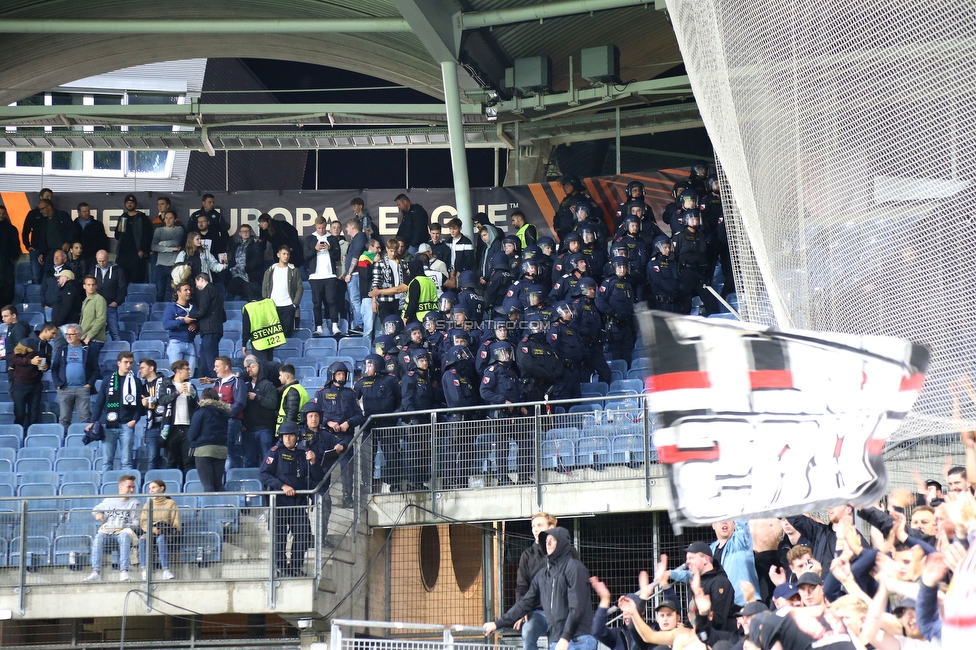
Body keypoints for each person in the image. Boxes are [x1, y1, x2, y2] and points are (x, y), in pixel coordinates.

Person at [483, 527, 595, 650]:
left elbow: (576, 608)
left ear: (562, 543)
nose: (548, 543)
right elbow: (525, 603)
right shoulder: (543, 575)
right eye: (546, 540)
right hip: (558, 640)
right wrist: (497, 624)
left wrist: (565, 637)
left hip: (579, 639)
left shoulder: (574, 569)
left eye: (553, 539)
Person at [261, 422, 323, 577]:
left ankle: (295, 567)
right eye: (285, 436)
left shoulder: (304, 454)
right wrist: (282, 486)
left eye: (290, 436)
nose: (287, 439)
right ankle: (281, 568)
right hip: (279, 503)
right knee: (279, 538)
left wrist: (313, 462)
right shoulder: (274, 452)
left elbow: (317, 477)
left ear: (297, 437)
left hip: (298, 502)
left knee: (303, 535)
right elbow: (263, 474)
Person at [512, 512, 577, 650]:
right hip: (538, 612)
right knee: (528, 631)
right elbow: (521, 586)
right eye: (533, 526)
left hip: (563, 612)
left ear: (551, 527)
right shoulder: (527, 555)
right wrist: (521, 610)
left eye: (540, 525)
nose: (535, 529)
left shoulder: (569, 551)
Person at [313, 361, 364, 508]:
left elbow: (359, 415)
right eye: (339, 374)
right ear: (332, 375)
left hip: (346, 436)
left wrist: (348, 422)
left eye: (344, 374)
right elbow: (315, 414)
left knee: (348, 468)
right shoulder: (321, 393)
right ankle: (323, 497)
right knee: (323, 469)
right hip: (326, 437)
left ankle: (348, 497)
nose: (342, 377)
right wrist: (328, 423)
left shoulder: (350, 393)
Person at [89, 351, 143, 472]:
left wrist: (135, 419)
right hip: (108, 424)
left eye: (130, 363)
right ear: (119, 363)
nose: (128, 365)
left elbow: (140, 405)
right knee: (107, 461)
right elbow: (100, 402)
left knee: (127, 462)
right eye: (126, 362)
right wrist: (93, 421)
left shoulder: (136, 382)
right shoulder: (108, 380)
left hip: (127, 424)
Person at [353, 353, 400, 489]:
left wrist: (396, 414)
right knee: (367, 455)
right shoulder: (361, 382)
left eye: (370, 365)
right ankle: (367, 483)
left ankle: (394, 483)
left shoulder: (390, 380)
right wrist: (360, 415)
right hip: (369, 425)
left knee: (392, 454)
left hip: (387, 424)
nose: (366, 368)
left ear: (377, 365)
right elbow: (352, 400)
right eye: (366, 365)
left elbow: (400, 399)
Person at [84, 474, 141, 582]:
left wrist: (122, 526)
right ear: (120, 487)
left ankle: (124, 571)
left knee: (124, 536)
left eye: (133, 487)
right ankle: (96, 572)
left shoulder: (135, 503)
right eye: (129, 487)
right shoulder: (109, 500)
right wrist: (98, 514)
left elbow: (136, 523)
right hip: (108, 531)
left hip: (123, 531)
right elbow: (95, 509)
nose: (132, 490)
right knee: (99, 536)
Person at [202, 356, 248, 471]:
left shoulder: (237, 382)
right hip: (217, 422)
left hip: (230, 421)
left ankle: (228, 480)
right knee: (220, 452)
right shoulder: (217, 383)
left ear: (226, 367)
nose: (214, 369)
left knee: (227, 451)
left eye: (217, 366)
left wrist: (225, 414)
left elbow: (240, 403)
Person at [51, 323, 98, 434]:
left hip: (83, 389)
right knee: (64, 418)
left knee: (84, 418)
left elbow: (96, 370)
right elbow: (54, 368)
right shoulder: (62, 350)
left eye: (72, 334)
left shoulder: (88, 350)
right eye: (67, 334)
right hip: (64, 389)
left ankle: (83, 440)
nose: (69, 337)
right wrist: (58, 383)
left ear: (79, 335)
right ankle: (65, 441)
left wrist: (89, 384)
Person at [10, 321, 57, 430]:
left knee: (34, 416)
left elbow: (48, 364)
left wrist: (46, 366)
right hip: (21, 384)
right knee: (20, 415)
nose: (54, 337)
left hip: (36, 384)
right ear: (45, 330)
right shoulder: (25, 342)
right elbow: (13, 359)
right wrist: (30, 361)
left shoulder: (48, 347)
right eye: (53, 333)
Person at [304, 216, 344, 336]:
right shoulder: (310, 239)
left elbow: (337, 257)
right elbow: (306, 257)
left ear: (326, 226)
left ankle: (335, 326)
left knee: (332, 300)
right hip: (315, 276)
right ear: (315, 226)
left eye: (323, 228)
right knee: (317, 302)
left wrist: (330, 249)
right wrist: (315, 249)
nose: (321, 230)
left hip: (330, 275)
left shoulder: (331, 239)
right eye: (319, 228)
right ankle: (318, 326)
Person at [156, 360, 197, 474]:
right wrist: (177, 393)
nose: (189, 372)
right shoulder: (166, 384)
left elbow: (196, 406)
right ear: (178, 371)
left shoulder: (191, 385)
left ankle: (188, 489)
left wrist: (192, 395)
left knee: (189, 461)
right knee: (172, 461)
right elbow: (162, 400)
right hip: (171, 428)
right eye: (187, 369)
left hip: (188, 427)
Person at [595, 257, 637, 366]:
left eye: (624, 267)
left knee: (627, 355)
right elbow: (599, 300)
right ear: (614, 268)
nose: (622, 269)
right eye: (619, 267)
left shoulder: (628, 285)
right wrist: (612, 313)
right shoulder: (608, 283)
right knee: (614, 356)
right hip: (614, 326)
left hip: (627, 326)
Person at [187, 387, 230, 492]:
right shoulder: (224, 413)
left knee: (208, 484)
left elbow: (193, 433)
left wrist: (192, 441)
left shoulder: (201, 411)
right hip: (221, 449)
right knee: (218, 484)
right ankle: (221, 507)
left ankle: (209, 507)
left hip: (204, 450)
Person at [138, 479, 180, 581]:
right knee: (143, 539)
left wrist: (174, 534)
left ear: (162, 488)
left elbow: (176, 520)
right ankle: (144, 570)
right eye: (149, 488)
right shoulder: (147, 504)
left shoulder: (171, 503)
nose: (151, 490)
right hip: (151, 532)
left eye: (154, 487)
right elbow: (143, 522)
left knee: (161, 539)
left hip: (165, 533)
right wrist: (152, 529)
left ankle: (165, 570)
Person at [241, 355, 278, 467]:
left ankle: (266, 484)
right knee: (249, 460)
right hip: (248, 430)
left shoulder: (267, 385)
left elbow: (273, 404)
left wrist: (257, 397)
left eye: (252, 366)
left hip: (264, 429)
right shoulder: (244, 385)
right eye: (247, 367)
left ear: (259, 367)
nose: (249, 369)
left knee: (266, 460)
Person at [262, 245, 303, 338]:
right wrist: (266, 302)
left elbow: (299, 288)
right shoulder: (270, 271)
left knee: (287, 334)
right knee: (273, 335)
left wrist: (294, 304)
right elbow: (264, 288)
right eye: (284, 254)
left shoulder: (294, 270)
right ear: (278, 255)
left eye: (288, 254)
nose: (286, 256)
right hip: (272, 306)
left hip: (288, 306)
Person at [114, 194, 153, 284]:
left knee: (137, 279)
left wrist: (142, 250)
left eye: (131, 202)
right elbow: (117, 236)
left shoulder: (141, 217)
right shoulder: (123, 216)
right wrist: (118, 230)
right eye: (127, 202)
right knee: (123, 279)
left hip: (136, 253)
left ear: (135, 204)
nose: (129, 204)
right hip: (123, 254)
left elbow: (146, 235)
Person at [193, 274, 225, 379]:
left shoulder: (206, 291)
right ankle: (208, 378)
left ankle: (213, 380)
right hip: (215, 328)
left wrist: (188, 317)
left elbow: (202, 310)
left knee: (209, 358)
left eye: (196, 282)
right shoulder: (217, 293)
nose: (196, 286)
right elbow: (223, 316)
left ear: (201, 279)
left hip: (209, 329)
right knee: (205, 357)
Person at [163, 282, 198, 376]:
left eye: (189, 290)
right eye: (185, 290)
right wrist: (183, 321)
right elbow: (166, 325)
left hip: (191, 343)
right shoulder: (171, 308)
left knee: (190, 375)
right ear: (178, 292)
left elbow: (200, 321)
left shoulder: (193, 307)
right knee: (176, 375)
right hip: (176, 343)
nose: (189, 292)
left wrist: (196, 325)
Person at [371, 238, 408, 326]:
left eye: (395, 251)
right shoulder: (380, 263)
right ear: (387, 249)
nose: (393, 253)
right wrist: (374, 302)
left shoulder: (403, 263)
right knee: (387, 326)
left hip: (401, 300)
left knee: (400, 326)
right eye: (391, 251)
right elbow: (376, 283)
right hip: (385, 300)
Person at [150, 209, 185, 302]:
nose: (168, 220)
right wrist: (172, 249)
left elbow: (176, 242)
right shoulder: (158, 230)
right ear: (164, 219)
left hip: (174, 265)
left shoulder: (179, 229)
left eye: (171, 218)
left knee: (174, 292)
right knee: (160, 292)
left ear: (175, 219)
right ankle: (159, 312)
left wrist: (161, 243)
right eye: (166, 218)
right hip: (160, 264)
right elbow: (154, 247)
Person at [93, 250, 127, 342]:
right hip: (96, 307)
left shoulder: (117, 270)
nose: (101, 263)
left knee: (114, 332)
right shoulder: (93, 270)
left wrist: (117, 302)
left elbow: (122, 288)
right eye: (99, 261)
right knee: (95, 332)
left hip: (111, 306)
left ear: (108, 258)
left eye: (103, 260)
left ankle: (118, 353)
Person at [342, 218, 369, 334]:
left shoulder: (360, 237)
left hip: (356, 274)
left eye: (347, 227)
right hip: (354, 273)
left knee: (355, 300)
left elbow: (356, 255)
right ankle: (358, 324)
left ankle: (360, 325)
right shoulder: (356, 239)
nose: (346, 229)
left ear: (352, 226)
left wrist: (349, 273)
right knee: (355, 301)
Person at [241, 297, 286, 363]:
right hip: (271, 340)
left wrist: (244, 344)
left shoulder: (248, 307)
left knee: (262, 368)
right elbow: (279, 319)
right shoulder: (269, 302)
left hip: (258, 342)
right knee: (269, 365)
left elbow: (246, 328)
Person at [226, 222, 264, 300]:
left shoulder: (255, 244)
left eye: (247, 231)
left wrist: (246, 269)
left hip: (249, 273)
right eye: (243, 231)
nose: (245, 233)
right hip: (236, 273)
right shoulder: (236, 245)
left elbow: (257, 260)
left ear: (250, 232)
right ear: (240, 233)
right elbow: (233, 259)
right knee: (230, 287)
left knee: (248, 287)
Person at [353, 238, 382, 341]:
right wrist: (374, 263)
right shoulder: (363, 258)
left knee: (380, 330)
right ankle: (367, 355)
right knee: (368, 329)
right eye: (377, 247)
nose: (379, 250)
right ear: (371, 247)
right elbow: (366, 275)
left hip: (379, 297)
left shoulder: (377, 259)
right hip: (368, 297)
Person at [71, 202, 109, 270]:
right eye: (84, 211)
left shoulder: (97, 224)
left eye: (88, 211)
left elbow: (103, 241)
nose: (87, 213)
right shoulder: (73, 225)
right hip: (78, 257)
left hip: (93, 256)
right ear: (79, 212)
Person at [401, 258, 438, 324]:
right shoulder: (430, 281)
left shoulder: (415, 282)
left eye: (409, 269)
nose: (408, 271)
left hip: (418, 317)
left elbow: (413, 302)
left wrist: (406, 316)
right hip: (432, 316)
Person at [2, 305, 31, 388]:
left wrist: (12, 364)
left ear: (14, 315)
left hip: (16, 367)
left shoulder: (18, 329)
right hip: (14, 364)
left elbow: (20, 348)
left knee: (15, 393)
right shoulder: (12, 328)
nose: (3, 319)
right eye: (2, 316)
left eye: (6, 316)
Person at [276, 364, 309, 434]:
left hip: (291, 431)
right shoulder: (299, 388)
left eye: (280, 375)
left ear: (286, 376)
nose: (279, 378)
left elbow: (291, 414)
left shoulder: (292, 391)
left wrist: (286, 432)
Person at [0, 204, 20, 307]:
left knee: (8, 288)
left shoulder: (11, 229)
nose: (1, 215)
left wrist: (11, 258)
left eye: (3, 213)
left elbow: (16, 246)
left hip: (7, 263)